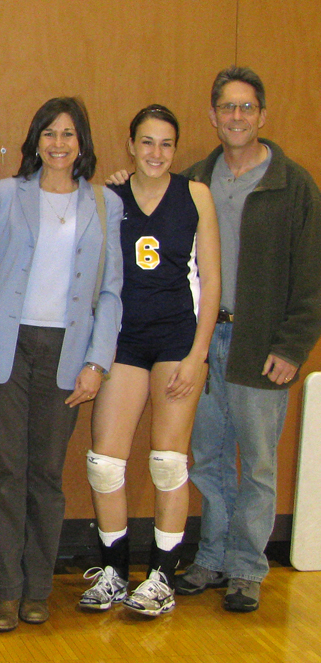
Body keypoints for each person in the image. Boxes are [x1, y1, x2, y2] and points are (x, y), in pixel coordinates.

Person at [0, 97, 123, 632]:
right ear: (35, 141)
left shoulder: (104, 204)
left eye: (68, 135)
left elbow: (112, 293)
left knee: (46, 476)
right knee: (7, 473)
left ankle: (38, 590)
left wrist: (98, 362)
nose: (58, 144)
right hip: (5, 350)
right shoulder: (5, 195)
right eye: (49, 134)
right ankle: (6, 593)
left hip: (67, 355)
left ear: (83, 144)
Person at [169, 68, 321, 612]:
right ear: (212, 116)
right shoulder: (191, 181)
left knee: (256, 462)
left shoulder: (293, 185)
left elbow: (312, 275)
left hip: (262, 346)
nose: (236, 117)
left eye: (246, 108)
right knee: (207, 458)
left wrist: (293, 346)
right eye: (226, 108)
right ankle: (210, 560)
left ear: (262, 115)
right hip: (205, 343)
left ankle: (248, 568)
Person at [79, 105, 220, 617]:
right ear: (131, 145)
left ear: (174, 150)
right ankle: (114, 571)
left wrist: (197, 355)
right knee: (104, 462)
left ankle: (162, 577)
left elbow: (212, 280)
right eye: (147, 142)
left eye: (166, 144)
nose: (156, 153)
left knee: (167, 461)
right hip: (125, 340)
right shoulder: (108, 198)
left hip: (179, 341)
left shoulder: (196, 195)